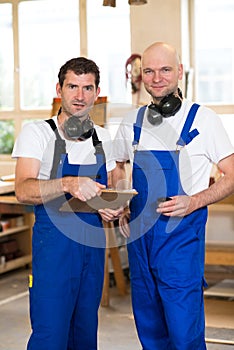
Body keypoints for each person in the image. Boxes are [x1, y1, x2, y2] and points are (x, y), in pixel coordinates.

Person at [107, 42, 234, 349]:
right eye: (149, 71)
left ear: (179, 72)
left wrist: (195, 201)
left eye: (165, 70)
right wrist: (122, 201)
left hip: (179, 242)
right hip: (140, 240)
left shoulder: (203, 120)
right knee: (149, 327)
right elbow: (117, 165)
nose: (157, 78)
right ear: (141, 77)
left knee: (183, 329)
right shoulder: (132, 121)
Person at [12, 57, 118, 350]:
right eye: (73, 86)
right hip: (54, 250)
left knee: (85, 333)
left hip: (92, 249)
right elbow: (23, 189)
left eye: (87, 88)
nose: (80, 95)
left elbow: (108, 191)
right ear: (59, 89)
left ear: (96, 92)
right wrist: (67, 183)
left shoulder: (103, 138)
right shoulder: (38, 133)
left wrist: (113, 206)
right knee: (51, 334)